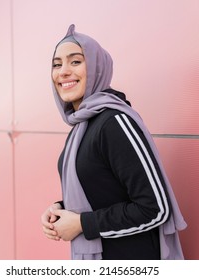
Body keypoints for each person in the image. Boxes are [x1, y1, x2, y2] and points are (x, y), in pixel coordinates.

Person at [41, 24, 187, 260]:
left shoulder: (114, 122)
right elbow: (102, 192)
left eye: (75, 62)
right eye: (57, 64)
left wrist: (81, 223)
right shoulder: (81, 126)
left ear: (97, 68)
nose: (63, 71)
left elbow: (155, 208)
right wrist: (61, 209)